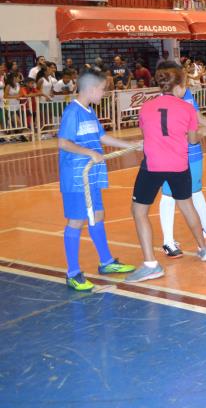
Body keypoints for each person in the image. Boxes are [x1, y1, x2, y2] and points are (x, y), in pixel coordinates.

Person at [127, 63, 206, 283]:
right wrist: (202, 132)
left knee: (139, 211)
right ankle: (203, 250)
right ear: (180, 86)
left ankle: (150, 264)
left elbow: (146, 132)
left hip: (153, 164)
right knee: (186, 205)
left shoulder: (146, 107)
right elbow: (192, 140)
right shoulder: (187, 109)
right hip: (178, 164)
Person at [57, 69, 136, 291]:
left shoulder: (89, 112)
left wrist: (130, 145)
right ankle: (72, 273)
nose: (104, 93)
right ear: (91, 89)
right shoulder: (73, 112)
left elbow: (101, 137)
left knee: (97, 215)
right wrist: (89, 153)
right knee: (76, 220)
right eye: (102, 89)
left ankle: (106, 262)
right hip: (76, 176)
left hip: (91, 174)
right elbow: (64, 143)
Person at [158, 85, 206, 259]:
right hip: (174, 154)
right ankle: (168, 241)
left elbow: (197, 116)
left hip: (194, 153)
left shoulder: (188, 94)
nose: (185, 87)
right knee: (169, 195)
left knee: (196, 190)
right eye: (182, 84)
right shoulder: (164, 101)